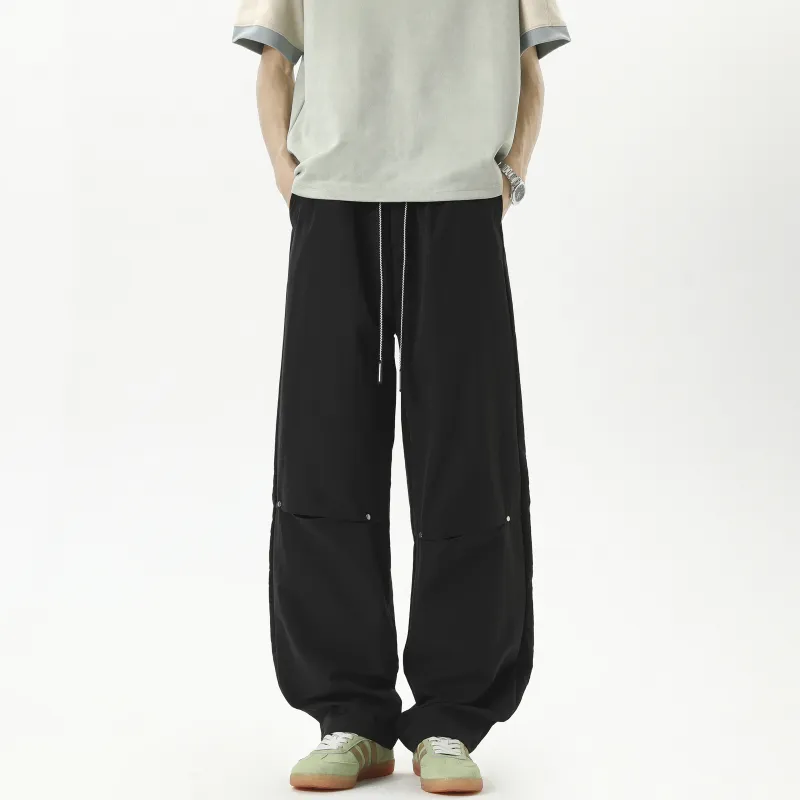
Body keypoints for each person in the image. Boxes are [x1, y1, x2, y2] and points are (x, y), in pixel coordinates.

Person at [231, 0, 570, 792]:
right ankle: (348, 715)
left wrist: (513, 172)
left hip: (460, 203)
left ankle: (452, 716)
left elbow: (528, 64)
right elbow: (275, 61)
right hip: (332, 200)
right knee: (324, 453)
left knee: (469, 460)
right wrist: (287, 173)